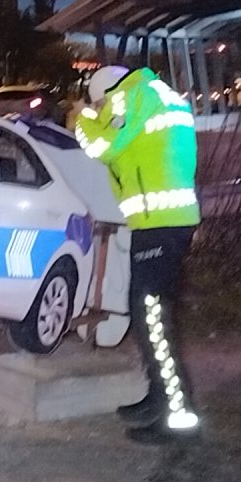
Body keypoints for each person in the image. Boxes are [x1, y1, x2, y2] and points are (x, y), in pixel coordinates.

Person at [75, 65, 202, 443]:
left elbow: (103, 147)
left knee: (153, 320)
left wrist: (82, 118)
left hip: (160, 224)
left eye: (98, 104)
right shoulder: (156, 96)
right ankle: (158, 398)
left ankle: (177, 418)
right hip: (161, 223)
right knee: (147, 315)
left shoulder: (129, 97)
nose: (99, 111)